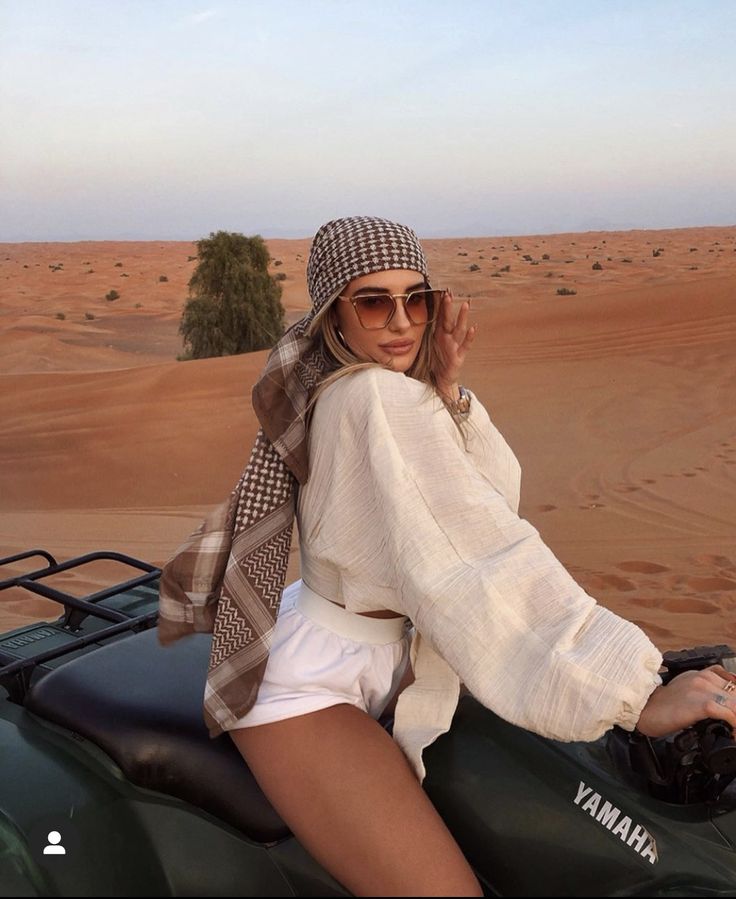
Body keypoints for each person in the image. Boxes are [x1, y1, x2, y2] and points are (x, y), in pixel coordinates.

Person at [158, 216, 736, 897]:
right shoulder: (368, 396)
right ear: (332, 314)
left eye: (417, 298)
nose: (400, 320)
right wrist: (635, 695)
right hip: (308, 688)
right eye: (374, 300)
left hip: (375, 648)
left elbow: (483, 497)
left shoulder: (379, 390)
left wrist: (445, 391)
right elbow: (478, 555)